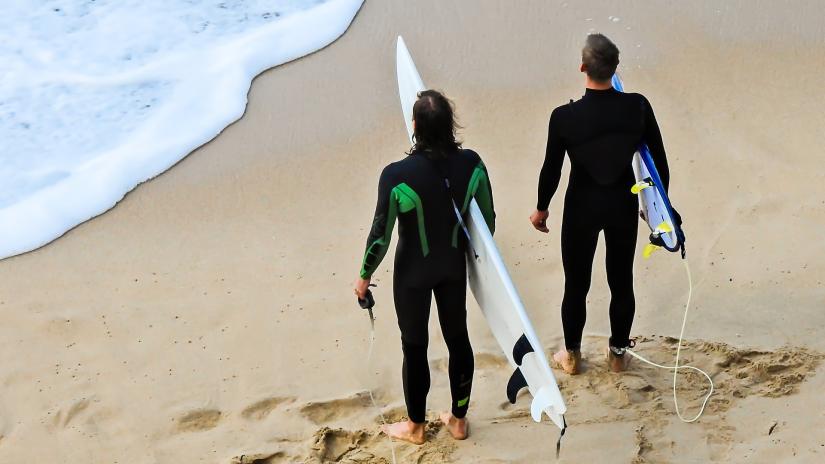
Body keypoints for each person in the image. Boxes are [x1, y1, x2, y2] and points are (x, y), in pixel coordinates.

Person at [353, 90, 495, 444]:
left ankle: (416, 427)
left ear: (414, 126)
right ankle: (458, 420)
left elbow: (380, 236)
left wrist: (364, 276)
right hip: (452, 267)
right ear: (451, 125)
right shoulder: (473, 164)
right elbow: (488, 222)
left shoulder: (396, 175)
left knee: (414, 347)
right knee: (458, 339)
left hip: (413, 274)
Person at [529, 33, 673, 374]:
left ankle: (572, 357)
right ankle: (618, 356)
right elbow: (659, 162)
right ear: (616, 67)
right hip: (622, 202)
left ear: (582, 67)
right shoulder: (637, 106)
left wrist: (541, 207)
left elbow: (552, 167)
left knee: (576, 285)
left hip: (582, 206)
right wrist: (654, 207)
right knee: (621, 280)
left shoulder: (563, 117)